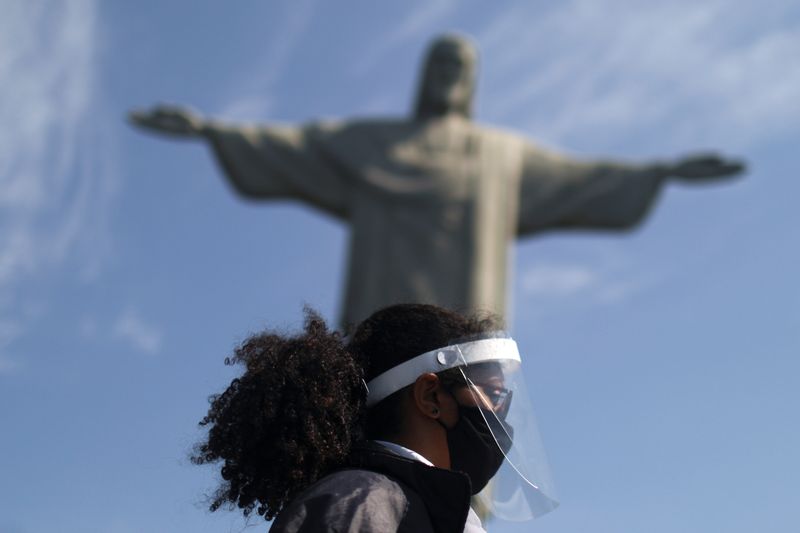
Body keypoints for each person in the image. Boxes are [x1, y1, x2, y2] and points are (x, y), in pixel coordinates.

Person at [129, 34, 745, 328]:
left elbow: (582, 179)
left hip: (467, 330)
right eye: (441, 63)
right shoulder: (372, 144)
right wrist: (211, 130)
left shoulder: (501, 156)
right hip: (380, 320)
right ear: (425, 73)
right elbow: (297, 145)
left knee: (460, 446)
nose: (449, 74)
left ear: (472, 81)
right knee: (374, 432)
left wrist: (661, 173)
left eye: (461, 66)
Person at [193, 303, 557, 532]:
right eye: (493, 395)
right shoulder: (363, 503)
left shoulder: (421, 510)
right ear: (431, 397)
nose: (501, 415)